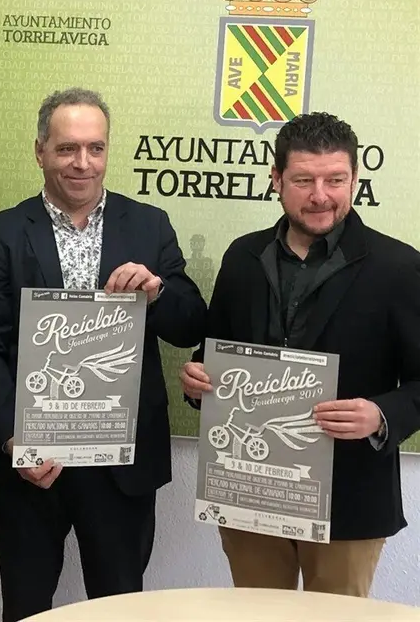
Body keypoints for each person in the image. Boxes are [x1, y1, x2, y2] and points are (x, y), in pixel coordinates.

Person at [0, 88, 207, 621]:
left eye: (95, 148)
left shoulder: (148, 225)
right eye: (67, 148)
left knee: (119, 608)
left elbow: (192, 323)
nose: (83, 162)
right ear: (40, 151)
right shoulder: (4, 232)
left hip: (122, 464)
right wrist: (12, 440)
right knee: (26, 607)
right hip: (34, 459)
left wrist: (157, 292)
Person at [180, 111, 420, 597]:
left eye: (335, 180)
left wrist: (381, 414)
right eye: (304, 180)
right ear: (277, 179)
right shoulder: (242, 257)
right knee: (257, 615)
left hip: (348, 499)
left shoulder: (399, 266)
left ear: (355, 178)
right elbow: (212, 355)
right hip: (249, 489)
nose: (320, 196)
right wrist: (197, 382)